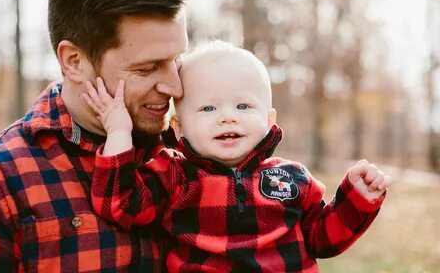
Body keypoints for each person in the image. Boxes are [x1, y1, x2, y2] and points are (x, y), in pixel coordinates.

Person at [0, 0, 187, 271]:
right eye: (148, 68)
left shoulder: (192, 152)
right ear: (74, 61)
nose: (175, 88)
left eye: (176, 60)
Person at [85, 41, 392, 273]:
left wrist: (357, 200)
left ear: (270, 119)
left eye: (243, 107)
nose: (227, 118)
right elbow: (119, 205)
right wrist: (119, 133)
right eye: (208, 108)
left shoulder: (292, 178)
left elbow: (322, 240)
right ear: (179, 128)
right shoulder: (175, 174)